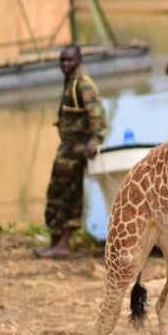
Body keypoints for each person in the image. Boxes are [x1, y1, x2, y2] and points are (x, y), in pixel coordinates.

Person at [34, 45, 106, 258]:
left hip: (76, 149)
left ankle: (63, 244)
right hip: (66, 147)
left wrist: (94, 142)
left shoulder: (84, 84)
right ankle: (55, 241)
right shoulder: (71, 81)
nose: (65, 65)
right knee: (56, 193)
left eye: (70, 61)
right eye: (62, 61)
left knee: (69, 195)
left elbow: (99, 118)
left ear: (79, 61)